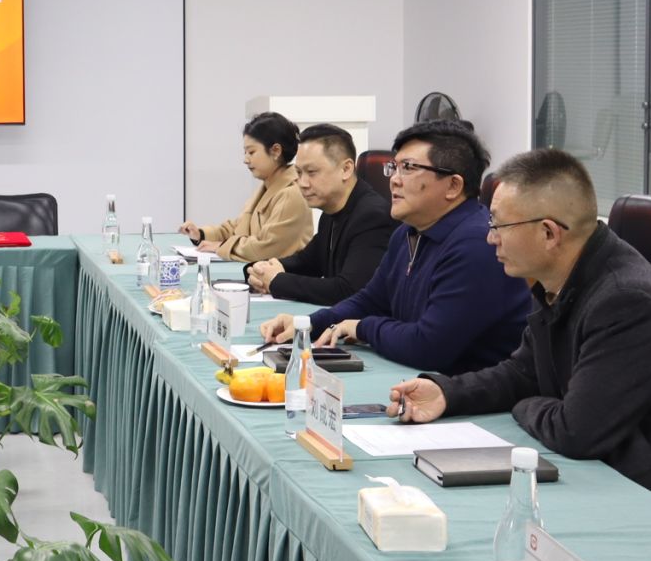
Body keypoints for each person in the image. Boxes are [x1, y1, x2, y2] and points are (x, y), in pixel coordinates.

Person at [383, 149, 651, 518]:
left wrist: (524, 404)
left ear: (548, 233)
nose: (490, 238)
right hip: (595, 479)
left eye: (499, 226)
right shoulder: (560, 279)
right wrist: (447, 393)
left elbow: (575, 430)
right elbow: (523, 373)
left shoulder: (628, 300)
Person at [259, 119, 529, 375]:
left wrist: (363, 328)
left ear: (453, 185)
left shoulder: (476, 244)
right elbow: (371, 300)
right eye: (394, 167)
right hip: (421, 382)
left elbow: (428, 346)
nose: (394, 180)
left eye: (408, 168)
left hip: (470, 396)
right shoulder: (407, 233)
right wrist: (309, 324)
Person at [243, 123, 393, 306]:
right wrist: (260, 269)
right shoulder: (331, 211)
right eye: (299, 173)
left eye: (312, 172)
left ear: (346, 169)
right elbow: (307, 262)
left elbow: (348, 290)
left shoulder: (372, 216)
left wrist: (276, 281)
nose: (302, 183)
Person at [178, 111, 312, 263]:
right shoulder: (268, 187)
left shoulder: (291, 194)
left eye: (251, 152)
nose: (246, 159)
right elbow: (238, 228)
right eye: (245, 152)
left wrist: (221, 246)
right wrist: (201, 234)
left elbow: (265, 247)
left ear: (276, 151)